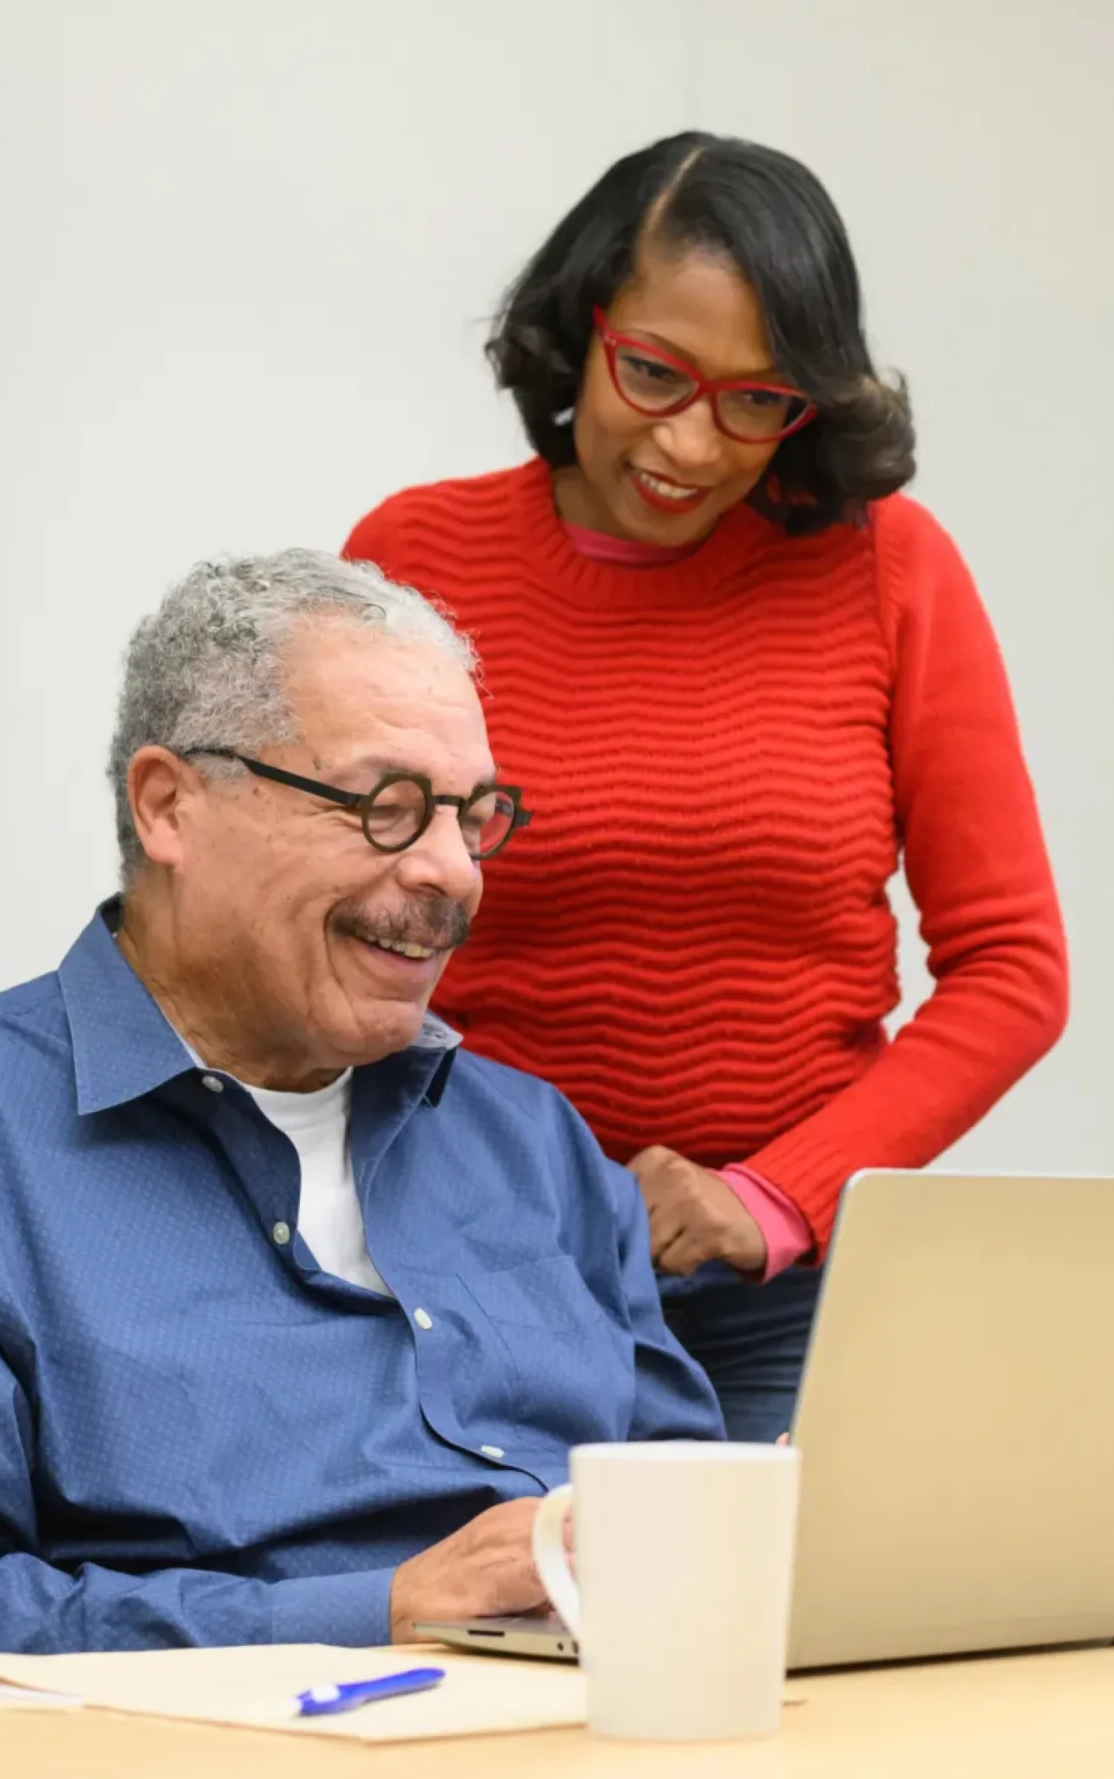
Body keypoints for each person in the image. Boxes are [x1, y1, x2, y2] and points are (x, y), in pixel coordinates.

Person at [0, 550, 722, 1693]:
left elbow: (683, 1493)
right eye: (385, 807)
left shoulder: (534, 1145)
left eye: (472, 816)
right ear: (168, 805)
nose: (451, 871)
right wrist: (372, 1612)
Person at [345, 132, 1068, 1442]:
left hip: (779, 1302)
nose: (694, 441)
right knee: (477, 1634)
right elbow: (336, 925)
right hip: (471, 1280)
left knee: (741, 1639)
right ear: (583, 330)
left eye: (759, 400)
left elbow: (1014, 971)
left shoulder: (886, 569)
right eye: (656, 374)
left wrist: (778, 1198)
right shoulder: (414, 560)